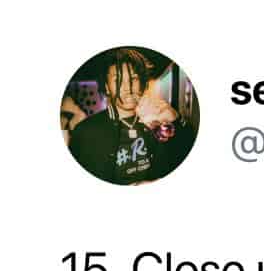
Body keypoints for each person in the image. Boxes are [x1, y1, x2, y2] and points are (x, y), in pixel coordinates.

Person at [67, 48, 196, 184]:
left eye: (134, 78)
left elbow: (183, 154)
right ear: (107, 87)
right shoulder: (85, 132)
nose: (127, 87)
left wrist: (176, 119)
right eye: (118, 80)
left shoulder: (156, 120)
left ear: (142, 82)